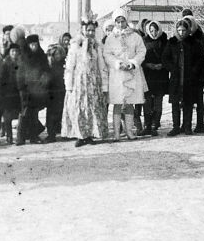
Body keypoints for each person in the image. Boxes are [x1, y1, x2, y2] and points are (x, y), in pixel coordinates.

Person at [61, 17, 109, 147]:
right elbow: (70, 66)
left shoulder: (97, 46)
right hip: (79, 82)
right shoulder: (75, 45)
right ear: (83, 30)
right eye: (88, 30)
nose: (90, 33)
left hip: (94, 82)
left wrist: (104, 85)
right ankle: (80, 135)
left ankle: (90, 135)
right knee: (79, 108)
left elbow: (102, 66)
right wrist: (69, 85)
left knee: (92, 108)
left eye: (93, 30)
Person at [103, 8, 147, 141]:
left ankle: (129, 131)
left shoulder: (135, 36)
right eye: (118, 22)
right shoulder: (110, 38)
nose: (121, 25)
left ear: (126, 21)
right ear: (114, 23)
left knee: (129, 103)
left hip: (131, 73)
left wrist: (133, 63)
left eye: (123, 21)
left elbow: (141, 51)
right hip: (117, 75)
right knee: (117, 103)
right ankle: (117, 133)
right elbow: (107, 54)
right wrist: (117, 63)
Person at [162, 19, 204, 136]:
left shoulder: (193, 42)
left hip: (189, 77)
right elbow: (165, 58)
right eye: (179, 30)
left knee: (188, 102)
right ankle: (175, 126)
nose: (181, 32)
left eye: (183, 30)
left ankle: (187, 126)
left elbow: (200, 58)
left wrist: (194, 70)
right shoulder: (171, 42)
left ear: (187, 30)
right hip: (176, 77)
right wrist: (172, 68)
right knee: (175, 103)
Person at [15, 34, 50, 145]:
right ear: (28, 45)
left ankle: (33, 137)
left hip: (38, 90)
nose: (33, 47)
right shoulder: (23, 57)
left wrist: (45, 78)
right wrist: (21, 88)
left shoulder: (42, 56)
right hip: (25, 90)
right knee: (24, 113)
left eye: (35, 44)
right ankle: (20, 138)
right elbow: (19, 74)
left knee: (34, 114)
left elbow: (47, 70)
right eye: (31, 44)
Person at [140, 20, 169, 136]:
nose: (154, 33)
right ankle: (147, 125)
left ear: (159, 30)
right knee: (146, 101)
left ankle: (154, 125)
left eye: (156, 30)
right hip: (148, 75)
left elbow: (169, 57)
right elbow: (140, 57)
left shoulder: (164, 41)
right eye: (151, 30)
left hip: (161, 75)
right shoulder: (143, 41)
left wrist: (163, 64)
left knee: (158, 101)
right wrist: (148, 65)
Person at [183, 15, 204, 133]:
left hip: (198, 75)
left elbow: (201, 56)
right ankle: (186, 124)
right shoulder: (186, 37)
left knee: (199, 100)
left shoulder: (199, 37)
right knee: (187, 101)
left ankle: (200, 124)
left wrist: (194, 70)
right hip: (188, 75)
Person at [0, 43, 22, 145]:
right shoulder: (5, 64)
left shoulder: (21, 62)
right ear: (9, 52)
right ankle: (9, 136)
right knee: (7, 117)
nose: (15, 53)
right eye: (13, 51)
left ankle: (20, 136)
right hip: (8, 94)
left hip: (19, 93)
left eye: (16, 51)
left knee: (20, 116)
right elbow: (0, 79)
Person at [45, 43, 67, 143]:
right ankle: (51, 134)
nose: (57, 56)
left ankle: (65, 133)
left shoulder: (65, 64)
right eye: (55, 54)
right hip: (52, 93)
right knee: (51, 114)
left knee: (63, 113)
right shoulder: (49, 65)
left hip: (63, 92)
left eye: (59, 54)